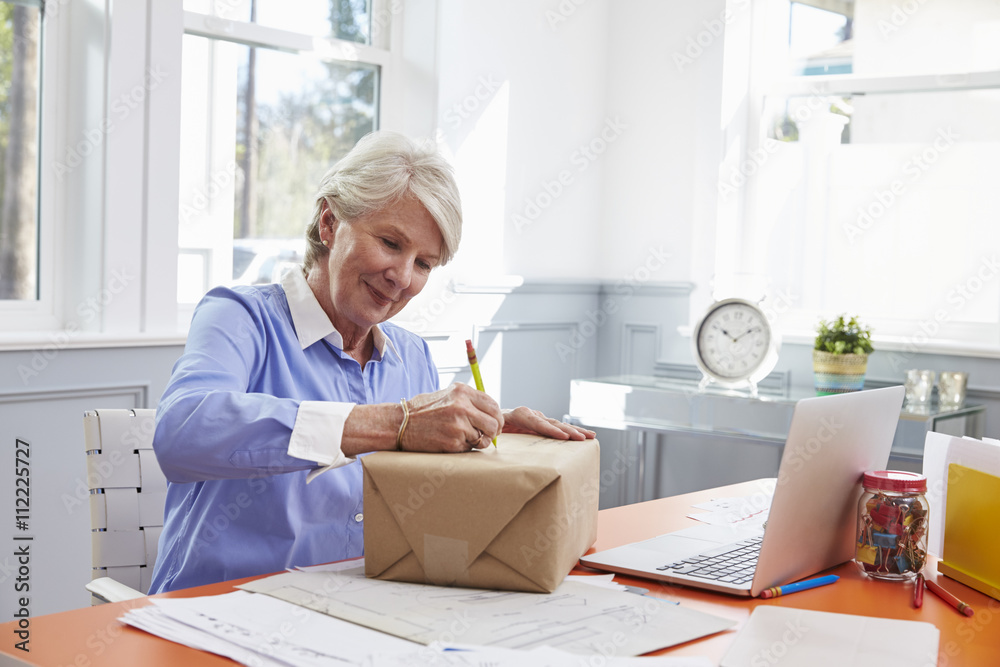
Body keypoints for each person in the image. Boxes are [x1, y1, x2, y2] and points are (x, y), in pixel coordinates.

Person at [149, 131, 594, 593]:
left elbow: (428, 505)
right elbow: (182, 432)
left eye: (423, 264)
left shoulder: (413, 357)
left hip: (365, 614)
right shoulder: (240, 316)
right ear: (329, 223)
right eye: (390, 243)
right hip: (220, 610)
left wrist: (484, 434)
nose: (402, 277)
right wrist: (397, 423)